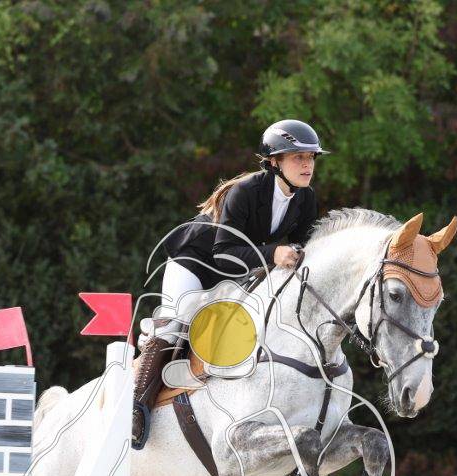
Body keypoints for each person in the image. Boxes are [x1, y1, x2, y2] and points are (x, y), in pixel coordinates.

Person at [133, 119, 327, 449]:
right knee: (175, 323)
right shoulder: (246, 191)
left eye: (311, 157)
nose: (307, 164)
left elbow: (301, 248)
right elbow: (223, 253)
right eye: (298, 157)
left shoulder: (305, 199)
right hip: (196, 263)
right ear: (274, 162)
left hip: (235, 274)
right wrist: (273, 253)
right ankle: (136, 407)